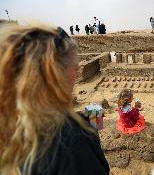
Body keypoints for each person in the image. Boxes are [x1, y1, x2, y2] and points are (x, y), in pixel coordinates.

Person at [0, 24, 109, 175]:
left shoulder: (12, 124)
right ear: (54, 75)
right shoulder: (72, 141)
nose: (77, 76)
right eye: (75, 68)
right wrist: (85, 130)